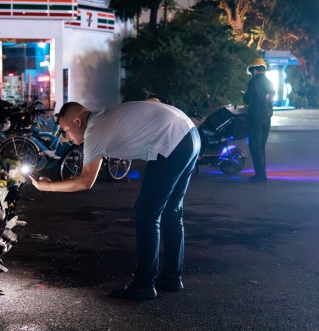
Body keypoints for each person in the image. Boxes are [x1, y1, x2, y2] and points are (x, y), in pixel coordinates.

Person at [30, 100, 201, 299]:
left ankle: (144, 285)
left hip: (171, 142)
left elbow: (85, 182)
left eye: (65, 130)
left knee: (147, 213)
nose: (66, 137)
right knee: (172, 210)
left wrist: (46, 186)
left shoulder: (95, 130)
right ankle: (171, 278)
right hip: (190, 134)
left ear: (77, 121)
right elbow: (154, 101)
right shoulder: (105, 115)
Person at [243, 57, 276, 182]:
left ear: (255, 70)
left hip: (256, 117)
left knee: (254, 145)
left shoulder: (254, 82)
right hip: (267, 117)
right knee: (261, 146)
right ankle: (262, 173)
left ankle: (260, 176)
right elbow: (271, 97)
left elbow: (247, 99)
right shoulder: (269, 82)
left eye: (252, 71)